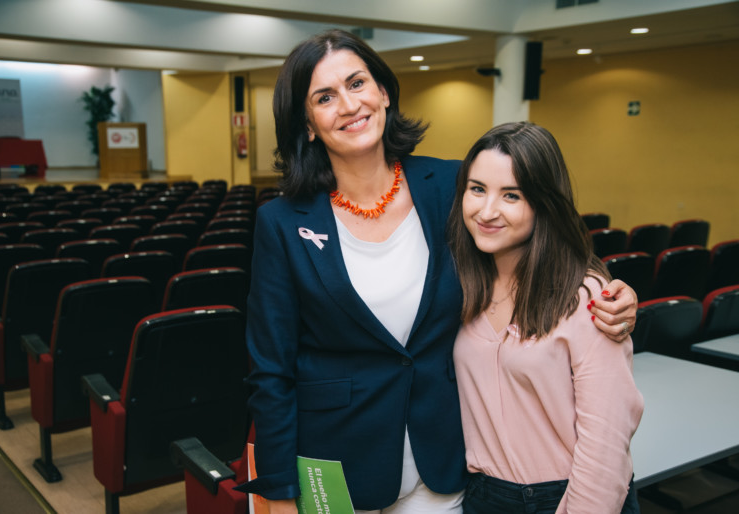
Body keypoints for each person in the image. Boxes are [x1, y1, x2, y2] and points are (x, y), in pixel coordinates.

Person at [239, 29, 638, 514]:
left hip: (445, 459)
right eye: (325, 97)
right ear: (307, 124)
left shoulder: (450, 185)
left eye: (357, 83)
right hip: (337, 466)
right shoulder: (281, 222)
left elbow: (535, 238)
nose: (348, 105)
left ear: (384, 92)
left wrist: (605, 287)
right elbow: (271, 370)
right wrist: (279, 492)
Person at [448, 122, 644, 514]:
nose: (487, 211)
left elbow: (605, 443)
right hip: (483, 496)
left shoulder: (584, 296)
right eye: (477, 189)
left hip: (570, 496)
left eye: (511, 195)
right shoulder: (460, 285)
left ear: (543, 202)